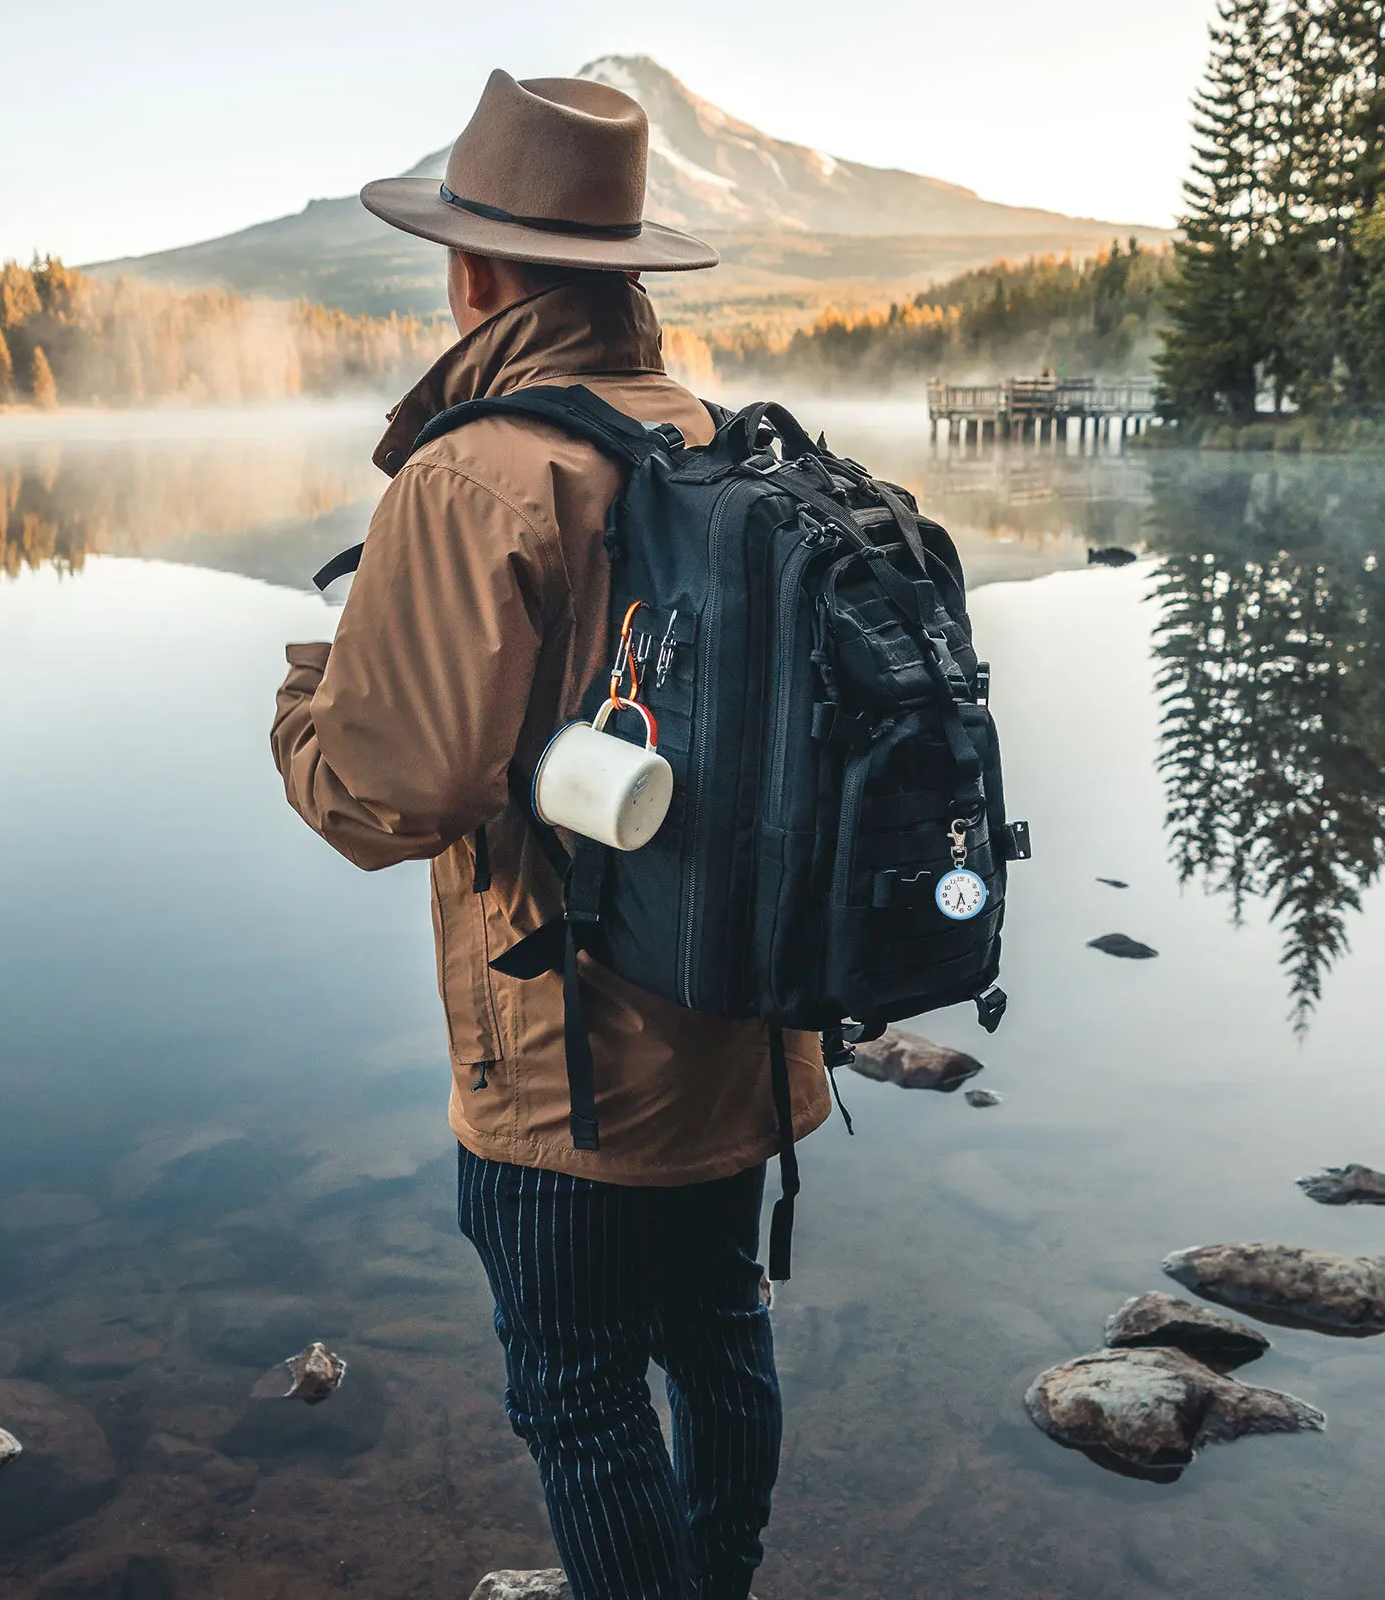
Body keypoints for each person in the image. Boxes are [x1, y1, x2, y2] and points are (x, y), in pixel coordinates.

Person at [271, 67, 830, 1600]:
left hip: (563, 1057)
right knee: (719, 1336)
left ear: (475, 268)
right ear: (627, 274)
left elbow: (398, 798)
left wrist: (304, 696)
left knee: (577, 1398)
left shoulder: (470, 474)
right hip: (745, 1021)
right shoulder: (719, 441)